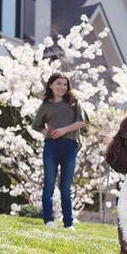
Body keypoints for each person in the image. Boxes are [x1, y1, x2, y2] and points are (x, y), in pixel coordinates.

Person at [32, 73, 88, 229]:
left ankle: (68, 223)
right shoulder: (45, 106)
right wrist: (48, 133)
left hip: (70, 145)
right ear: (50, 85)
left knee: (66, 186)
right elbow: (36, 125)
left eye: (65, 84)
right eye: (58, 83)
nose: (62, 87)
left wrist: (63, 130)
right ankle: (48, 221)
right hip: (51, 146)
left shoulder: (73, 102)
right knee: (49, 183)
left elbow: (82, 122)